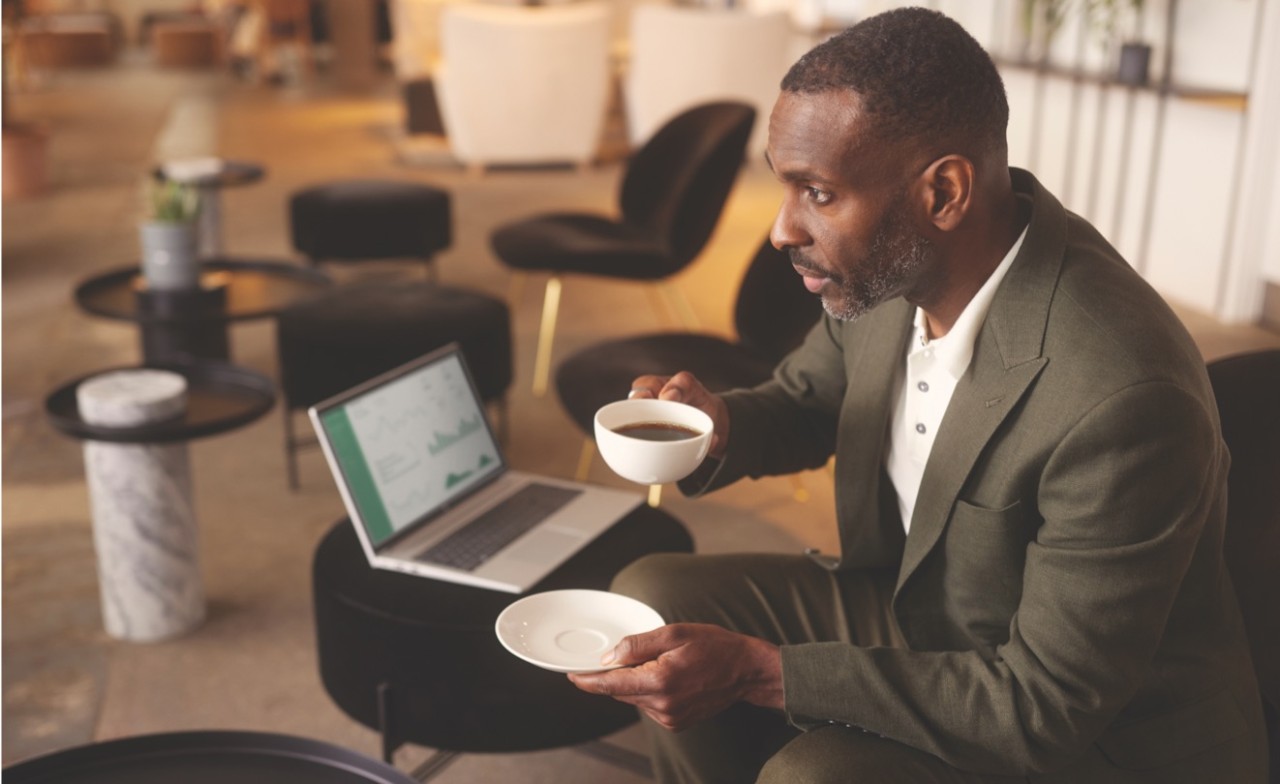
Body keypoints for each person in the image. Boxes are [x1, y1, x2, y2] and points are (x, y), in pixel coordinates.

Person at [567, 8, 1268, 783]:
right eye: (784, 186)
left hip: (1094, 730)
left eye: (818, 193)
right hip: (924, 611)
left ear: (943, 192)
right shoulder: (892, 276)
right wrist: (718, 424)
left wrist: (763, 671)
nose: (780, 230)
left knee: (813, 774)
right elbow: (811, 398)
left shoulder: (1122, 396)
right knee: (651, 598)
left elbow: (1046, 704)